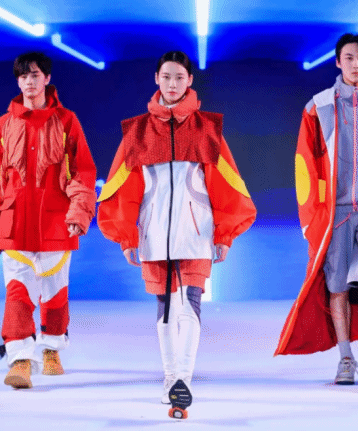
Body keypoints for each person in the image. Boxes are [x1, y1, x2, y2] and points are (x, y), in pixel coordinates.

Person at [97, 51, 256, 406]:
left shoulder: (207, 129)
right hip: (154, 235)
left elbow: (227, 184)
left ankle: (183, 377)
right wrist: (126, 236)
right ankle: (171, 377)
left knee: (190, 304)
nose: (172, 84)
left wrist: (225, 234)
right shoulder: (137, 132)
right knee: (166, 306)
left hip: (197, 233)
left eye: (179, 77)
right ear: (156, 79)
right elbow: (121, 189)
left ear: (190, 81)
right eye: (166, 77)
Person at [275, 33, 358, 389]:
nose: (355, 64)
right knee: (336, 286)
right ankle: (345, 358)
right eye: (349, 58)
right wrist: (311, 220)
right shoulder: (318, 107)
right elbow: (304, 165)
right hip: (334, 213)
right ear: (337, 62)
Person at [0, 52, 97, 389]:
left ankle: (52, 349)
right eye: (23, 76)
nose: (29, 82)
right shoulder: (4, 125)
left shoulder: (67, 121)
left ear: (47, 79)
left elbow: (82, 171)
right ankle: (19, 359)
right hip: (14, 223)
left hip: (56, 222)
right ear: (17, 82)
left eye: (35, 75)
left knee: (55, 292)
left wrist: (79, 213)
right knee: (17, 291)